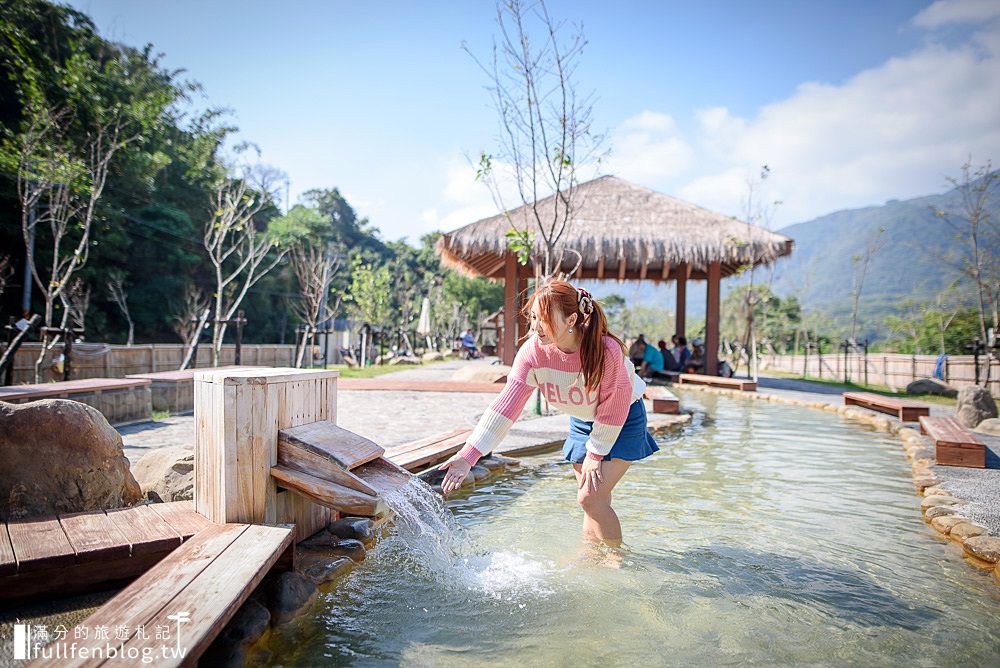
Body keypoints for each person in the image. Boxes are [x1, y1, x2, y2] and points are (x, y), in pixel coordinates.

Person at [438, 281, 658, 546]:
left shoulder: (606, 351)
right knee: (593, 499)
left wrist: (596, 453)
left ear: (571, 319)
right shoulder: (532, 352)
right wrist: (468, 456)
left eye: (542, 319)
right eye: (532, 318)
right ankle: (591, 556)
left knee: (590, 497)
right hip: (582, 421)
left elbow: (615, 406)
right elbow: (506, 406)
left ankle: (615, 560)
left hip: (622, 419)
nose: (534, 327)